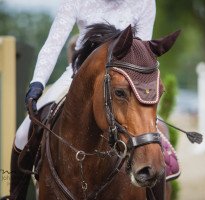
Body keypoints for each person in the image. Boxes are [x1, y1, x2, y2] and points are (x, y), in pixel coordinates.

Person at [7, 0, 179, 199]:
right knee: (22, 134)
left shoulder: (145, 2)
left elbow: (140, 52)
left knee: (153, 140)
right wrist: (37, 82)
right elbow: (53, 44)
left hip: (124, 81)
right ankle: (15, 195)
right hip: (78, 75)